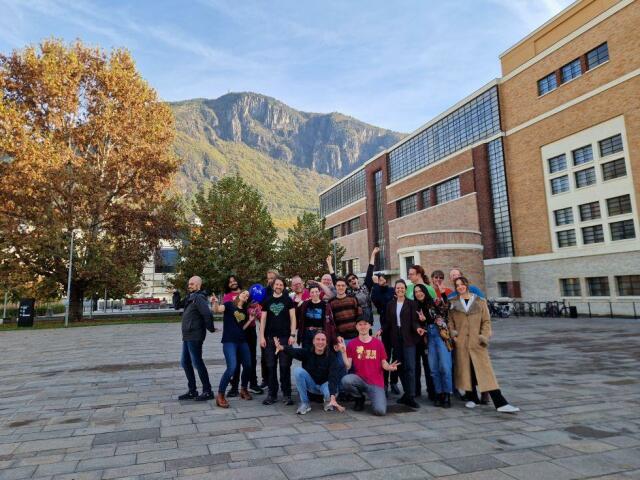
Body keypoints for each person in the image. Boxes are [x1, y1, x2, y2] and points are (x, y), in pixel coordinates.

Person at [448, 277, 519, 413]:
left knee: (485, 372)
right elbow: (450, 321)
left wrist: (483, 337)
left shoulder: (480, 302)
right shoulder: (453, 304)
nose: (460, 287)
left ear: (467, 285)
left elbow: (486, 321)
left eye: (462, 284)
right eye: (457, 286)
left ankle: (500, 402)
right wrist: (454, 335)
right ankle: (472, 398)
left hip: (477, 342)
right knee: (466, 369)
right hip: (462, 342)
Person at [338, 318, 400, 415]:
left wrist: (389, 367)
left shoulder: (378, 343)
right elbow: (348, 365)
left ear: (370, 326)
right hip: (360, 380)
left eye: (365, 324)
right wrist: (343, 353)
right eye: (360, 324)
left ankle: (374, 396)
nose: (363, 327)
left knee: (380, 411)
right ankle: (359, 397)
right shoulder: (352, 344)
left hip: (376, 383)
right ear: (356, 327)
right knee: (346, 380)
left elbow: (384, 363)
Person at [274, 332, 344, 414]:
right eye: (318, 339)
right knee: (298, 371)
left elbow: (333, 377)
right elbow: (294, 351)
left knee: (330, 390)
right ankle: (305, 403)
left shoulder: (331, 356)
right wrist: (281, 347)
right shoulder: (307, 352)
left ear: (326, 342)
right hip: (312, 385)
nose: (320, 342)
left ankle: (328, 401)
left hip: (326, 386)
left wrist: (332, 396)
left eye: (323, 340)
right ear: (313, 342)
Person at [382, 280, 421, 409]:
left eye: (402, 288)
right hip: (396, 338)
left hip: (409, 338)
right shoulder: (390, 305)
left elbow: (414, 322)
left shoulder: (412, 304)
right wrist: (381, 330)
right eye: (398, 288)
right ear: (395, 290)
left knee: (410, 367)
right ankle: (406, 393)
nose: (400, 290)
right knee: (399, 366)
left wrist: (418, 329)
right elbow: (388, 323)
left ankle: (410, 395)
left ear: (405, 289)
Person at [211, 290, 254, 408]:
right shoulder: (229, 304)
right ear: (239, 295)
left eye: (247, 295)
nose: (246, 295)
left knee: (248, 365)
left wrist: (250, 320)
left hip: (242, 341)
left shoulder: (245, 310)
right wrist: (214, 302)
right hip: (229, 341)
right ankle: (220, 395)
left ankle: (243, 389)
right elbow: (217, 310)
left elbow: (243, 327)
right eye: (244, 293)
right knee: (232, 367)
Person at [259, 277, 297, 405]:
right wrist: (261, 336)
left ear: (283, 286)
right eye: (277, 284)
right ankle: (272, 394)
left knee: (285, 366)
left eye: (281, 284)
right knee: (270, 366)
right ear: (273, 285)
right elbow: (263, 320)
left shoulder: (288, 300)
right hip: (269, 339)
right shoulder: (267, 300)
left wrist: (292, 334)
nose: (279, 286)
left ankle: (286, 394)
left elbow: (293, 317)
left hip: (285, 338)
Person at [178, 276, 216, 402]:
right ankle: (192, 390)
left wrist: (210, 328)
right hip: (188, 335)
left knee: (197, 362)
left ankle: (207, 391)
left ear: (199, 285)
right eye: (189, 284)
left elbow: (207, 313)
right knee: (185, 362)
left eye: (192, 284)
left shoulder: (199, 297)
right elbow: (176, 306)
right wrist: (176, 293)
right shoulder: (190, 297)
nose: (190, 285)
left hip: (195, 335)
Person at [414, 284, 453, 408]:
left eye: (420, 291)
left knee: (445, 367)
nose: (418, 293)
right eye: (416, 292)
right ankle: (439, 393)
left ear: (425, 291)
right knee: (434, 368)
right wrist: (423, 321)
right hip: (428, 338)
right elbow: (419, 324)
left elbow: (446, 309)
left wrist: (443, 295)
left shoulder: (434, 301)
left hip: (440, 336)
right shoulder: (416, 307)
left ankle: (447, 394)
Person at [371, 273, 399, 395]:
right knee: (385, 355)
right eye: (379, 281)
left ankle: (394, 382)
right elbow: (377, 301)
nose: (381, 282)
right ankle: (385, 384)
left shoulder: (392, 290)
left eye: (382, 280)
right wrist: (376, 285)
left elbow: (390, 301)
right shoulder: (376, 291)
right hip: (385, 327)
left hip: (396, 327)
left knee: (397, 355)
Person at [297, 285, 337, 350]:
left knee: (319, 354)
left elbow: (331, 322)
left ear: (319, 292)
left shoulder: (325, 305)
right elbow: (298, 318)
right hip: (307, 333)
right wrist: (298, 306)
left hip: (320, 332)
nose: (314, 294)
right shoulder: (305, 304)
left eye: (316, 292)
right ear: (309, 293)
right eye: (312, 292)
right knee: (306, 354)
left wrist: (334, 339)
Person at [343, 247, 377, 322]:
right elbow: (337, 282)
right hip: (356, 321)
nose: (352, 280)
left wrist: (373, 254)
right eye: (349, 280)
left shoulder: (366, 287)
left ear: (357, 279)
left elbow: (370, 270)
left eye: (353, 278)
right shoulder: (348, 293)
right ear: (348, 284)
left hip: (368, 321)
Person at [328, 278, 362, 344]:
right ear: (335, 286)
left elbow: (360, 316)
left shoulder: (353, 299)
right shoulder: (331, 302)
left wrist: (360, 333)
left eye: (343, 285)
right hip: (341, 338)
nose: (341, 287)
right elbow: (331, 322)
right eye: (338, 285)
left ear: (346, 286)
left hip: (355, 336)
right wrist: (337, 335)